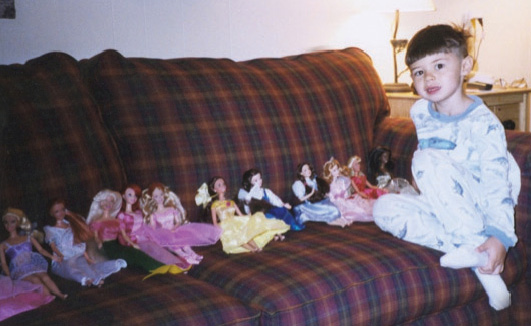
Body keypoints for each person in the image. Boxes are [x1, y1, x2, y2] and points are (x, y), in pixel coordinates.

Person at [373, 24, 521, 311]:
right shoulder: (419, 112)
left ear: (465, 66)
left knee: (424, 160)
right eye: (418, 71)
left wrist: (500, 237)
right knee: (384, 209)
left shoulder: (483, 123)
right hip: (445, 206)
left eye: (439, 65)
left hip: (480, 206)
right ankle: (465, 249)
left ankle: (483, 258)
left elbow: (496, 183)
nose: (428, 77)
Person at [86, 189, 176, 276]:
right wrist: (98, 242)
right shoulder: (97, 222)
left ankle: (158, 266)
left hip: (117, 245)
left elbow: (124, 236)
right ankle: (155, 267)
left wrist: (132, 244)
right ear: (100, 202)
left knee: (135, 252)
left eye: (111, 201)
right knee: (133, 254)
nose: (108, 204)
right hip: (108, 247)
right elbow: (96, 237)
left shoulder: (117, 221)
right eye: (105, 201)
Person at [44, 198, 126, 287]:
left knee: (86, 266)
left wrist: (87, 258)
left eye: (63, 210)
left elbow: (79, 244)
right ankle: (85, 279)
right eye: (57, 211)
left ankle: (96, 278)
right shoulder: (50, 229)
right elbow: (53, 246)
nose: (61, 213)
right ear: (51, 213)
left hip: (76, 254)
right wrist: (60, 255)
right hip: (63, 258)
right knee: (71, 269)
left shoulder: (70, 224)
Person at [197, 176, 289, 254]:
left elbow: (240, 214)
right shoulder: (215, 205)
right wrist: (217, 230)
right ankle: (252, 249)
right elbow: (214, 221)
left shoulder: (231, 202)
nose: (222, 186)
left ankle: (256, 247)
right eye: (219, 185)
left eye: (223, 183)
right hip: (225, 226)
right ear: (214, 189)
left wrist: (249, 217)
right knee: (238, 237)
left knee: (247, 233)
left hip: (236, 221)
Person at [141, 182, 222, 264]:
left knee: (185, 243)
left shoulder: (171, 209)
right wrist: (161, 234)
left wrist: (174, 227)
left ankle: (193, 255)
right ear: (152, 197)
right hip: (166, 235)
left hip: (176, 230)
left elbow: (178, 222)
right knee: (176, 246)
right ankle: (186, 257)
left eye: (161, 194)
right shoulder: (154, 215)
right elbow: (154, 229)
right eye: (156, 196)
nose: (160, 198)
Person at [117, 184, 191, 270]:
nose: (133, 198)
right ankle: (168, 264)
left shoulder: (138, 212)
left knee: (158, 245)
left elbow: (145, 225)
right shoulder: (122, 215)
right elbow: (124, 234)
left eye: (135, 196)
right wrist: (133, 244)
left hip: (144, 236)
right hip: (132, 239)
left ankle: (176, 261)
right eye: (130, 195)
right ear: (123, 196)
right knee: (151, 248)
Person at [0, 208, 67, 300]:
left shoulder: (28, 237)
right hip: (19, 269)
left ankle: (59, 294)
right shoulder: (3, 244)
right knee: (35, 280)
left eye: (12, 222)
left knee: (45, 276)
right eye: (6, 222)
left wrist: (53, 257)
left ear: (18, 222)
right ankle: (49, 297)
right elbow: (3, 263)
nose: (9, 225)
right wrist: (9, 277)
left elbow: (41, 250)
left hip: (32, 265)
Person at [238, 168, 304, 231]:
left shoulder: (265, 191)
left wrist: (283, 204)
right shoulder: (248, 195)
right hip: (260, 216)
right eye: (256, 180)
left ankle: (292, 224)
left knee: (282, 209)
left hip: (270, 210)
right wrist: (249, 197)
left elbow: (275, 199)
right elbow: (247, 211)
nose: (260, 181)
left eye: (260, 178)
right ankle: (277, 229)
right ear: (249, 183)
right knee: (269, 218)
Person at [322, 157, 374, 225]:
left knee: (360, 206)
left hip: (345, 200)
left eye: (337, 169)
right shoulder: (330, 186)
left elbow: (346, 193)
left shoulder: (341, 181)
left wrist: (345, 197)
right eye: (334, 170)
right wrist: (338, 201)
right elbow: (331, 198)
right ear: (330, 173)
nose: (337, 171)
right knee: (355, 211)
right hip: (338, 203)